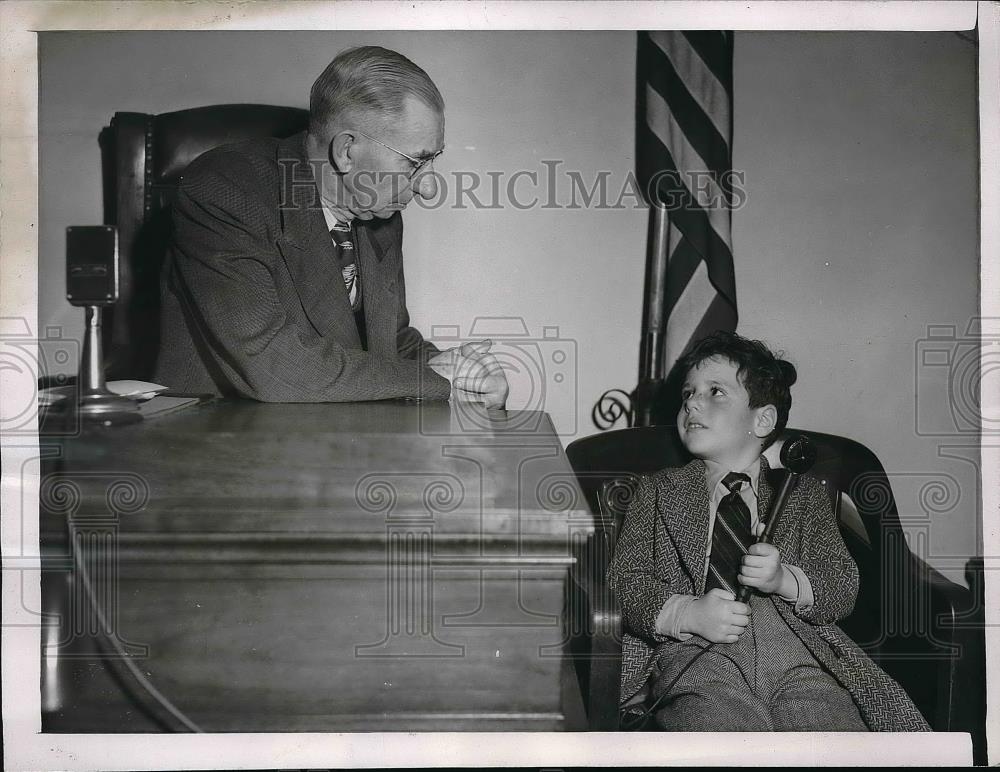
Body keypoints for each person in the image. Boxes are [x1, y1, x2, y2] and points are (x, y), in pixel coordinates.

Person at [608, 331, 929, 731]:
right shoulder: (656, 491)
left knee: (830, 732)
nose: (691, 401)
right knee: (718, 728)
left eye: (715, 392)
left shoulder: (803, 495)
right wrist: (688, 612)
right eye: (688, 392)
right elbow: (627, 579)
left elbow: (841, 583)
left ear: (762, 419)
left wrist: (784, 580)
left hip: (799, 650)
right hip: (697, 649)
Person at [154, 46, 508, 407]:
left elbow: (389, 341)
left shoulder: (378, 213)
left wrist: (464, 373)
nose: (429, 187)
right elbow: (274, 364)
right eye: (415, 162)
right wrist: (434, 380)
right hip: (219, 435)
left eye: (433, 160)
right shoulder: (226, 188)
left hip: (331, 435)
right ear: (346, 152)